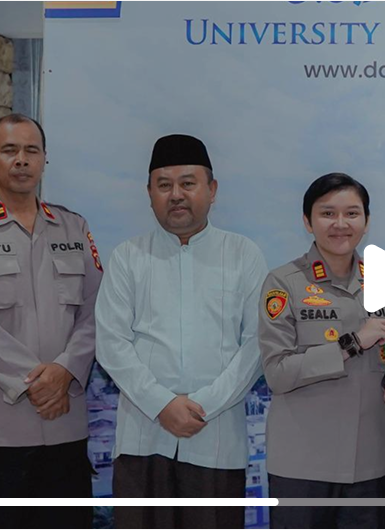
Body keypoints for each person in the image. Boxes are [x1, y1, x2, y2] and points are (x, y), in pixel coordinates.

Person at [0, 114, 101, 528]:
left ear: (45, 159)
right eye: (10, 150)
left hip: (65, 428)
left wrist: (65, 370)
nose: (22, 160)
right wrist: (38, 383)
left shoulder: (73, 226)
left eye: (31, 150)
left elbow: (96, 310)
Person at [95, 134, 267, 528]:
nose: (176, 195)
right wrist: (162, 404)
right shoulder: (127, 257)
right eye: (164, 185)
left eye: (188, 183)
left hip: (216, 440)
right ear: (149, 193)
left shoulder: (243, 255)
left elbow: (256, 344)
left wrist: (203, 404)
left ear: (212, 189)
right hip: (143, 440)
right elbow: (111, 343)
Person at [259, 173, 385, 529]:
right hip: (303, 468)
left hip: (372, 464)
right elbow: (277, 374)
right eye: (328, 213)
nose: (341, 224)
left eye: (352, 213)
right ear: (308, 221)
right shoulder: (284, 283)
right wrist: (350, 344)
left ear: (366, 222)